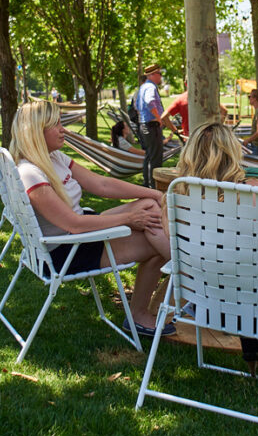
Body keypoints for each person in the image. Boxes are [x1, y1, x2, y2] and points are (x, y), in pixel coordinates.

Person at [10, 100, 172, 336]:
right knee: (154, 241)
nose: (63, 129)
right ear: (35, 131)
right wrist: (129, 218)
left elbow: (101, 183)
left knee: (149, 206)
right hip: (66, 251)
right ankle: (190, 280)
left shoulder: (52, 157)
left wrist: (155, 193)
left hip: (82, 232)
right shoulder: (30, 173)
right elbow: (73, 225)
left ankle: (189, 274)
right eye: (55, 124)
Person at [173, 122, 258, 393]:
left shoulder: (179, 197)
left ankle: (252, 354)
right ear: (231, 153)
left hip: (208, 306)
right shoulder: (255, 192)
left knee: (242, 269)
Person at [160, 80, 226, 139]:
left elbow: (164, 117)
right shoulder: (207, 97)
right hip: (208, 137)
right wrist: (215, 129)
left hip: (189, 138)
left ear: (186, 83)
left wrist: (175, 131)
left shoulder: (181, 99)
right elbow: (224, 111)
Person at [134, 63, 165, 188]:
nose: (161, 77)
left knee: (149, 156)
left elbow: (136, 106)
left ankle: (147, 184)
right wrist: (159, 119)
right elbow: (150, 102)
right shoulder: (151, 88)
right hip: (151, 125)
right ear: (152, 75)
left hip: (144, 124)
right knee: (155, 158)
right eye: (159, 74)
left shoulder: (143, 87)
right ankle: (154, 186)